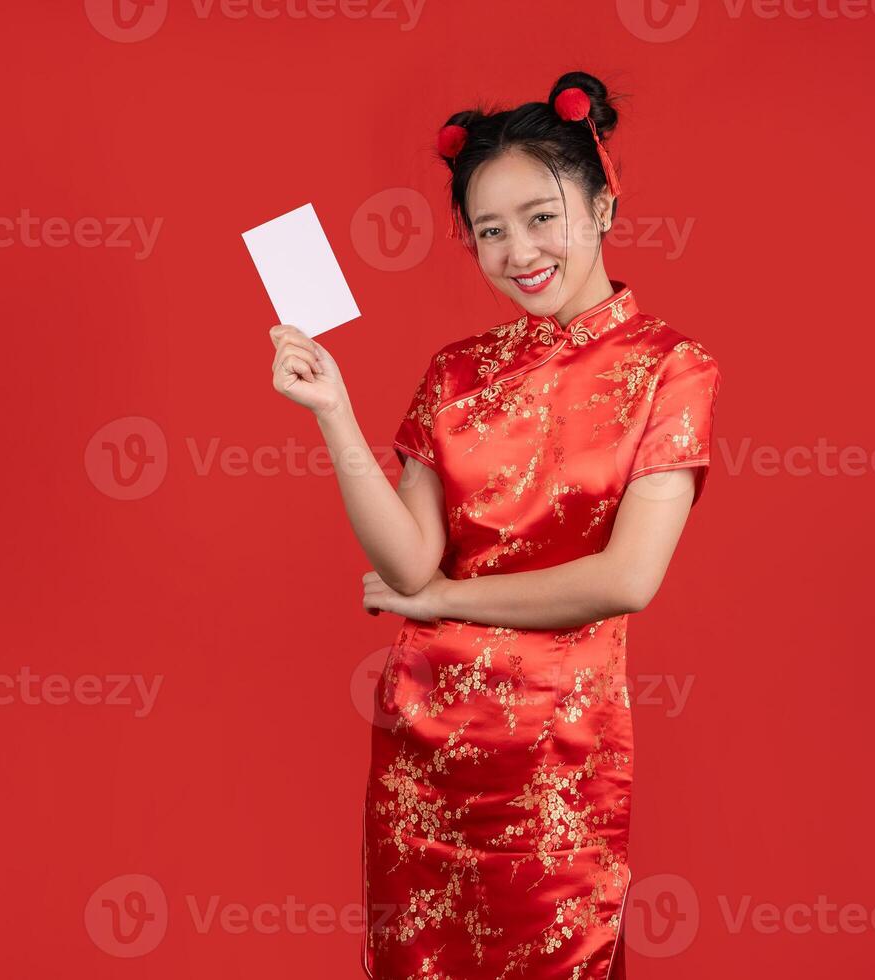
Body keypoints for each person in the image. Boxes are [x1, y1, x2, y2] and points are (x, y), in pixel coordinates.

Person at [268, 69, 722, 980]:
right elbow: (405, 560)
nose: (519, 250)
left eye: (540, 216)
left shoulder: (674, 368)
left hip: (560, 754)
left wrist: (442, 596)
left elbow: (625, 580)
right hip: (423, 746)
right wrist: (333, 413)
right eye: (489, 230)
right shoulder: (454, 373)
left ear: (601, 202)